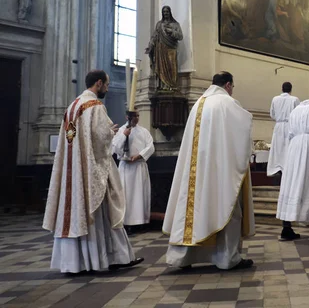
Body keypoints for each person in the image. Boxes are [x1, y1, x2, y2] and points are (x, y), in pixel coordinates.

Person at [42, 70, 143, 273]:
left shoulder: (72, 107)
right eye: (106, 84)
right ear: (98, 83)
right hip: (89, 171)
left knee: (75, 211)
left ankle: (74, 263)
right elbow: (100, 138)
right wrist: (113, 132)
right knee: (103, 213)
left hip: (73, 171)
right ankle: (112, 258)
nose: (107, 88)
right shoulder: (94, 106)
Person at [163, 71, 255, 270]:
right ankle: (227, 258)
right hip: (219, 170)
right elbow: (243, 129)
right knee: (228, 207)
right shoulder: (227, 103)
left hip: (195, 173)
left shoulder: (198, 104)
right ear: (229, 85)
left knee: (192, 211)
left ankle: (183, 258)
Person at [276, 92, 309, 241]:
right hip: (308, 145)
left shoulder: (295, 110)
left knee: (292, 183)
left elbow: (290, 132)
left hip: (293, 148)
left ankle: (286, 228)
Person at [112, 110, 155, 233]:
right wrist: (124, 135)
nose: (136, 118)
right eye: (133, 116)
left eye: (137, 115)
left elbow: (151, 147)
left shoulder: (144, 131)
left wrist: (139, 155)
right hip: (125, 167)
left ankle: (140, 222)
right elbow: (115, 148)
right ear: (127, 117)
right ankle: (126, 223)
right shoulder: (121, 131)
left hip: (139, 166)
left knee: (139, 195)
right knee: (126, 195)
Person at [145, 5, 183, 90]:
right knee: (161, 67)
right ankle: (163, 85)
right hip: (161, 50)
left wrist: (172, 31)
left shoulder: (175, 24)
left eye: (167, 11)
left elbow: (180, 36)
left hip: (171, 49)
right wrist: (150, 45)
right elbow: (154, 36)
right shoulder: (159, 24)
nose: (165, 13)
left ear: (170, 12)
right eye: (164, 12)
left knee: (171, 66)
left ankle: (171, 85)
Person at [267, 82, 300, 178]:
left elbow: (272, 114)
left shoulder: (275, 99)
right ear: (291, 89)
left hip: (278, 125)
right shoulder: (294, 99)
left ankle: (276, 168)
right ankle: (288, 168)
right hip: (290, 125)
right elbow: (298, 113)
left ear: (282, 89)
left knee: (278, 147)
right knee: (288, 146)